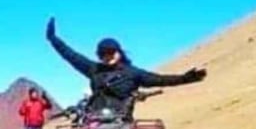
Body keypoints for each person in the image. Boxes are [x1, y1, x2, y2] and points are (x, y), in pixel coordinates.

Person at [45, 18, 206, 116]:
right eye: (103, 53)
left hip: (124, 122)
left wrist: (185, 78)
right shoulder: (94, 69)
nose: (107, 56)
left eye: (111, 52)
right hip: (95, 120)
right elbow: (71, 55)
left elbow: (160, 79)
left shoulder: (133, 73)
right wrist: (53, 39)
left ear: (119, 52)